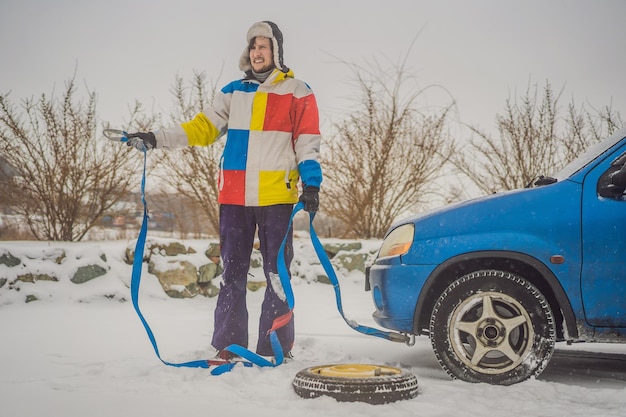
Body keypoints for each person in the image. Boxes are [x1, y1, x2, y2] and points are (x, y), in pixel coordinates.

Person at [124, 21, 322, 361]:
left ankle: (274, 346)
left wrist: (312, 183)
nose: (257, 52)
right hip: (234, 197)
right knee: (232, 273)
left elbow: (307, 142)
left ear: (277, 50)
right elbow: (200, 129)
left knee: (277, 275)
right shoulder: (233, 92)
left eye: (264, 46)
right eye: (253, 46)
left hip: (278, 198)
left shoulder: (298, 91)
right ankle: (229, 345)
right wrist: (156, 138)